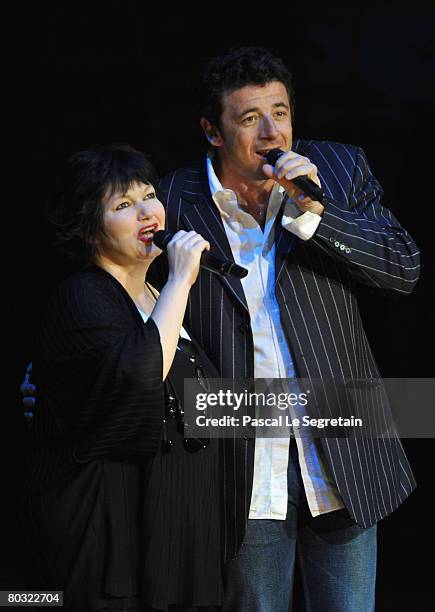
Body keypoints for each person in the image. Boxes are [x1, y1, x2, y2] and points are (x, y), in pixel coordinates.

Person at [146, 47, 420, 611]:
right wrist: (67, 372)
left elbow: (402, 270)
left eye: (281, 112)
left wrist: (314, 214)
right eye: (251, 119)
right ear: (212, 131)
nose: (274, 132)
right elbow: (123, 290)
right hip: (241, 467)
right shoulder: (172, 198)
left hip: (342, 456)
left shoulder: (338, 172)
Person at [19, 144, 224, 612]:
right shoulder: (82, 298)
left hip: (174, 531)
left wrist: (366, 414)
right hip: (104, 537)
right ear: (89, 230)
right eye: (122, 205)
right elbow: (140, 378)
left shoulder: (159, 294)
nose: (147, 212)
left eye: (149, 195)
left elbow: (207, 409)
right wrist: (179, 281)